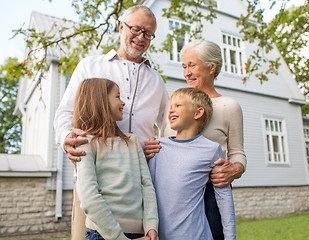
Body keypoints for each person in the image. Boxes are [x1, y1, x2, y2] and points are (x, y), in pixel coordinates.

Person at [53, 6, 168, 240]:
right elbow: (65, 112)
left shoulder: (156, 80)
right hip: (93, 179)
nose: (141, 38)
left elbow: (169, 127)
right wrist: (67, 138)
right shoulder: (90, 66)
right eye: (136, 29)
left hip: (138, 187)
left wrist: (160, 147)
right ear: (121, 27)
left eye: (148, 34)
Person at [144, 39, 246, 240]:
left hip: (210, 192)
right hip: (170, 195)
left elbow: (237, 153)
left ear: (211, 67)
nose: (186, 72)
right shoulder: (175, 106)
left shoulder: (228, 106)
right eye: (184, 66)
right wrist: (151, 148)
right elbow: (165, 141)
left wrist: (234, 170)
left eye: (192, 65)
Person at [74, 78, 158, 240]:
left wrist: (151, 226)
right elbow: (89, 197)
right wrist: (119, 238)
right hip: (102, 234)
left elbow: (146, 186)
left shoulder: (131, 141)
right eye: (117, 96)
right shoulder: (85, 144)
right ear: (100, 101)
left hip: (141, 234)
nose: (123, 102)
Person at [148, 87, 236, 240]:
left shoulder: (211, 149)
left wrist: (230, 237)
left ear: (198, 113)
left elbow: (224, 198)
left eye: (178, 105)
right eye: (170, 106)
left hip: (196, 235)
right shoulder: (156, 147)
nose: (171, 110)